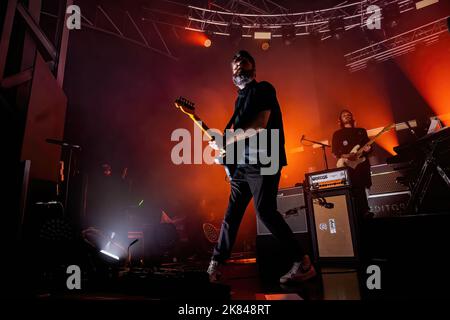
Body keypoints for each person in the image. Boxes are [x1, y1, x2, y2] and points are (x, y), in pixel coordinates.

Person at [207, 50, 316, 284]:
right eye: (235, 67)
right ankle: (216, 263)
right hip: (243, 165)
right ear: (231, 75)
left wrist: (225, 140)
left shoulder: (264, 88)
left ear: (254, 71)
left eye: (244, 65)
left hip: (265, 159)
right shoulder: (239, 99)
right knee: (231, 215)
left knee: (265, 212)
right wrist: (224, 152)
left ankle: (303, 262)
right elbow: (240, 137)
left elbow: (260, 125)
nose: (239, 70)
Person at [331, 109, 373, 220]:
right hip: (346, 165)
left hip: (361, 164)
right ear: (340, 119)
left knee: (361, 188)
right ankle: (351, 214)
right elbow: (335, 152)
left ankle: (365, 211)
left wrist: (369, 149)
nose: (347, 116)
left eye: (349, 114)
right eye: (344, 115)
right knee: (350, 189)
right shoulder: (337, 134)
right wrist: (347, 156)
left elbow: (368, 146)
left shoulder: (361, 131)